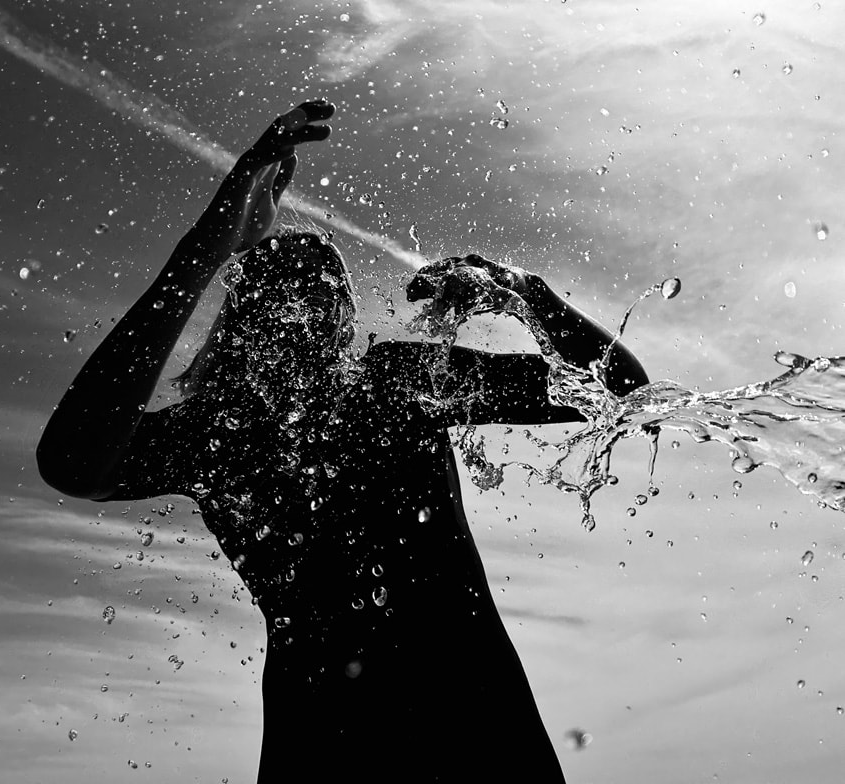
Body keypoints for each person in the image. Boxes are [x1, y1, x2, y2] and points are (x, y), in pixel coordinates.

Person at [37, 100, 648, 783]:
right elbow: (71, 463)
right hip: (339, 740)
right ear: (242, 320)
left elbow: (622, 391)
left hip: (475, 731)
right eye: (283, 289)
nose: (310, 302)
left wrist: (522, 293)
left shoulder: (398, 382)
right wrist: (207, 245)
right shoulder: (217, 431)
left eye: (329, 288)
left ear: (345, 320)